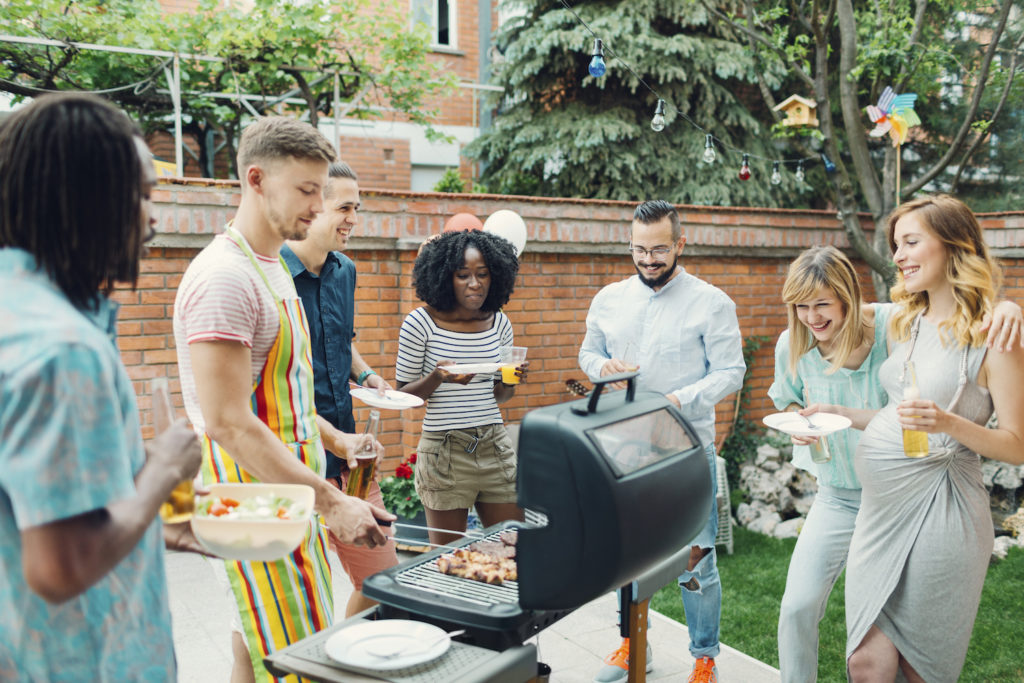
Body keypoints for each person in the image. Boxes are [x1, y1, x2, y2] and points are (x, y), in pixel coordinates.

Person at [173, 116, 393, 682]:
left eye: (323, 191)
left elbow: (284, 400)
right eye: (306, 190)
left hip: (285, 492)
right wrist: (330, 502)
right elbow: (227, 421)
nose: (319, 207)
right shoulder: (225, 277)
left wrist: (335, 441)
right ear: (256, 179)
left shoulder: (268, 266)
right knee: (303, 661)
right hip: (253, 499)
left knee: (261, 634)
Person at [0, 93, 202, 680]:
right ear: (86, 198)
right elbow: (62, 565)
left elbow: (33, 513)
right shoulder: (63, 347)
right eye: (142, 195)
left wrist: (150, 527)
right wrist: (163, 469)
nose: (154, 218)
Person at [768, 245, 1022, 682]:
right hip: (837, 498)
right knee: (797, 605)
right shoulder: (793, 343)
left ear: (848, 296)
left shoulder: (891, 323)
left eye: (822, 304)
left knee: (902, 641)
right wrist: (797, 418)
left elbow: (949, 311)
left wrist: (1008, 305)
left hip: (903, 499)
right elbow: (787, 395)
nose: (812, 317)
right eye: (801, 306)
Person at [842, 195, 1024, 682]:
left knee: (918, 666)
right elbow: (823, 308)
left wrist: (949, 424)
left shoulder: (994, 334)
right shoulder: (905, 321)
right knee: (865, 660)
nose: (897, 256)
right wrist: (836, 413)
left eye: (911, 242)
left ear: (952, 245)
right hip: (880, 515)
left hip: (945, 513)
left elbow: (1017, 443)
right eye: (895, 245)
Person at [579, 200, 745, 683]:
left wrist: (681, 397)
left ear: (680, 244)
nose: (649, 259)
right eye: (639, 249)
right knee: (626, 554)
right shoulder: (609, 298)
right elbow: (589, 352)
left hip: (688, 447)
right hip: (626, 445)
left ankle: (704, 657)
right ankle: (633, 646)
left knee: (697, 560)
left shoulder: (711, 302)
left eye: (659, 250)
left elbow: (731, 372)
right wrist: (599, 368)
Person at [281, 160, 398, 617]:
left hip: (354, 461)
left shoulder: (345, 270)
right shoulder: (273, 278)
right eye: (344, 207)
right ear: (313, 207)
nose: (354, 218)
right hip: (297, 462)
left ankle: (339, 657)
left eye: (358, 207)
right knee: (299, 603)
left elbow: (341, 341)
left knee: (384, 581)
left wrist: (367, 376)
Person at [395, 229, 527, 546]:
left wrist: (510, 380)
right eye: (463, 275)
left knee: (517, 550)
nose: (475, 283)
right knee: (449, 559)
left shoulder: (499, 323)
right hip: (445, 451)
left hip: (494, 443)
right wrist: (437, 377)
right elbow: (403, 396)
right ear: (444, 277)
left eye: (482, 274)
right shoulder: (419, 324)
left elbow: (500, 396)